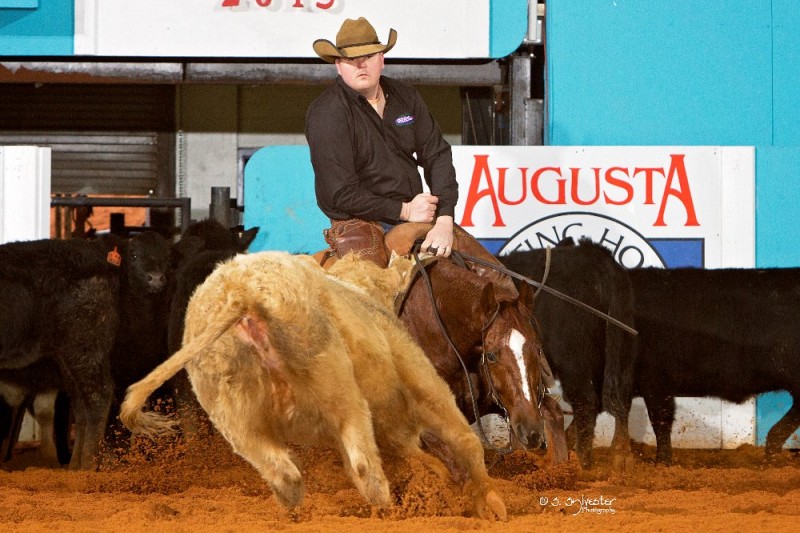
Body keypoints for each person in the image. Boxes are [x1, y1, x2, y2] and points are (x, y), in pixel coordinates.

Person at [305, 17, 457, 266]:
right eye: (351, 59)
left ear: (382, 59)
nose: (361, 64)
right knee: (370, 284)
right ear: (338, 65)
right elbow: (340, 194)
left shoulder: (406, 96)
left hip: (415, 214)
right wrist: (405, 210)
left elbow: (436, 154)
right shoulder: (327, 112)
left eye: (369, 56)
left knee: (485, 270)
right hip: (359, 221)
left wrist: (444, 219)